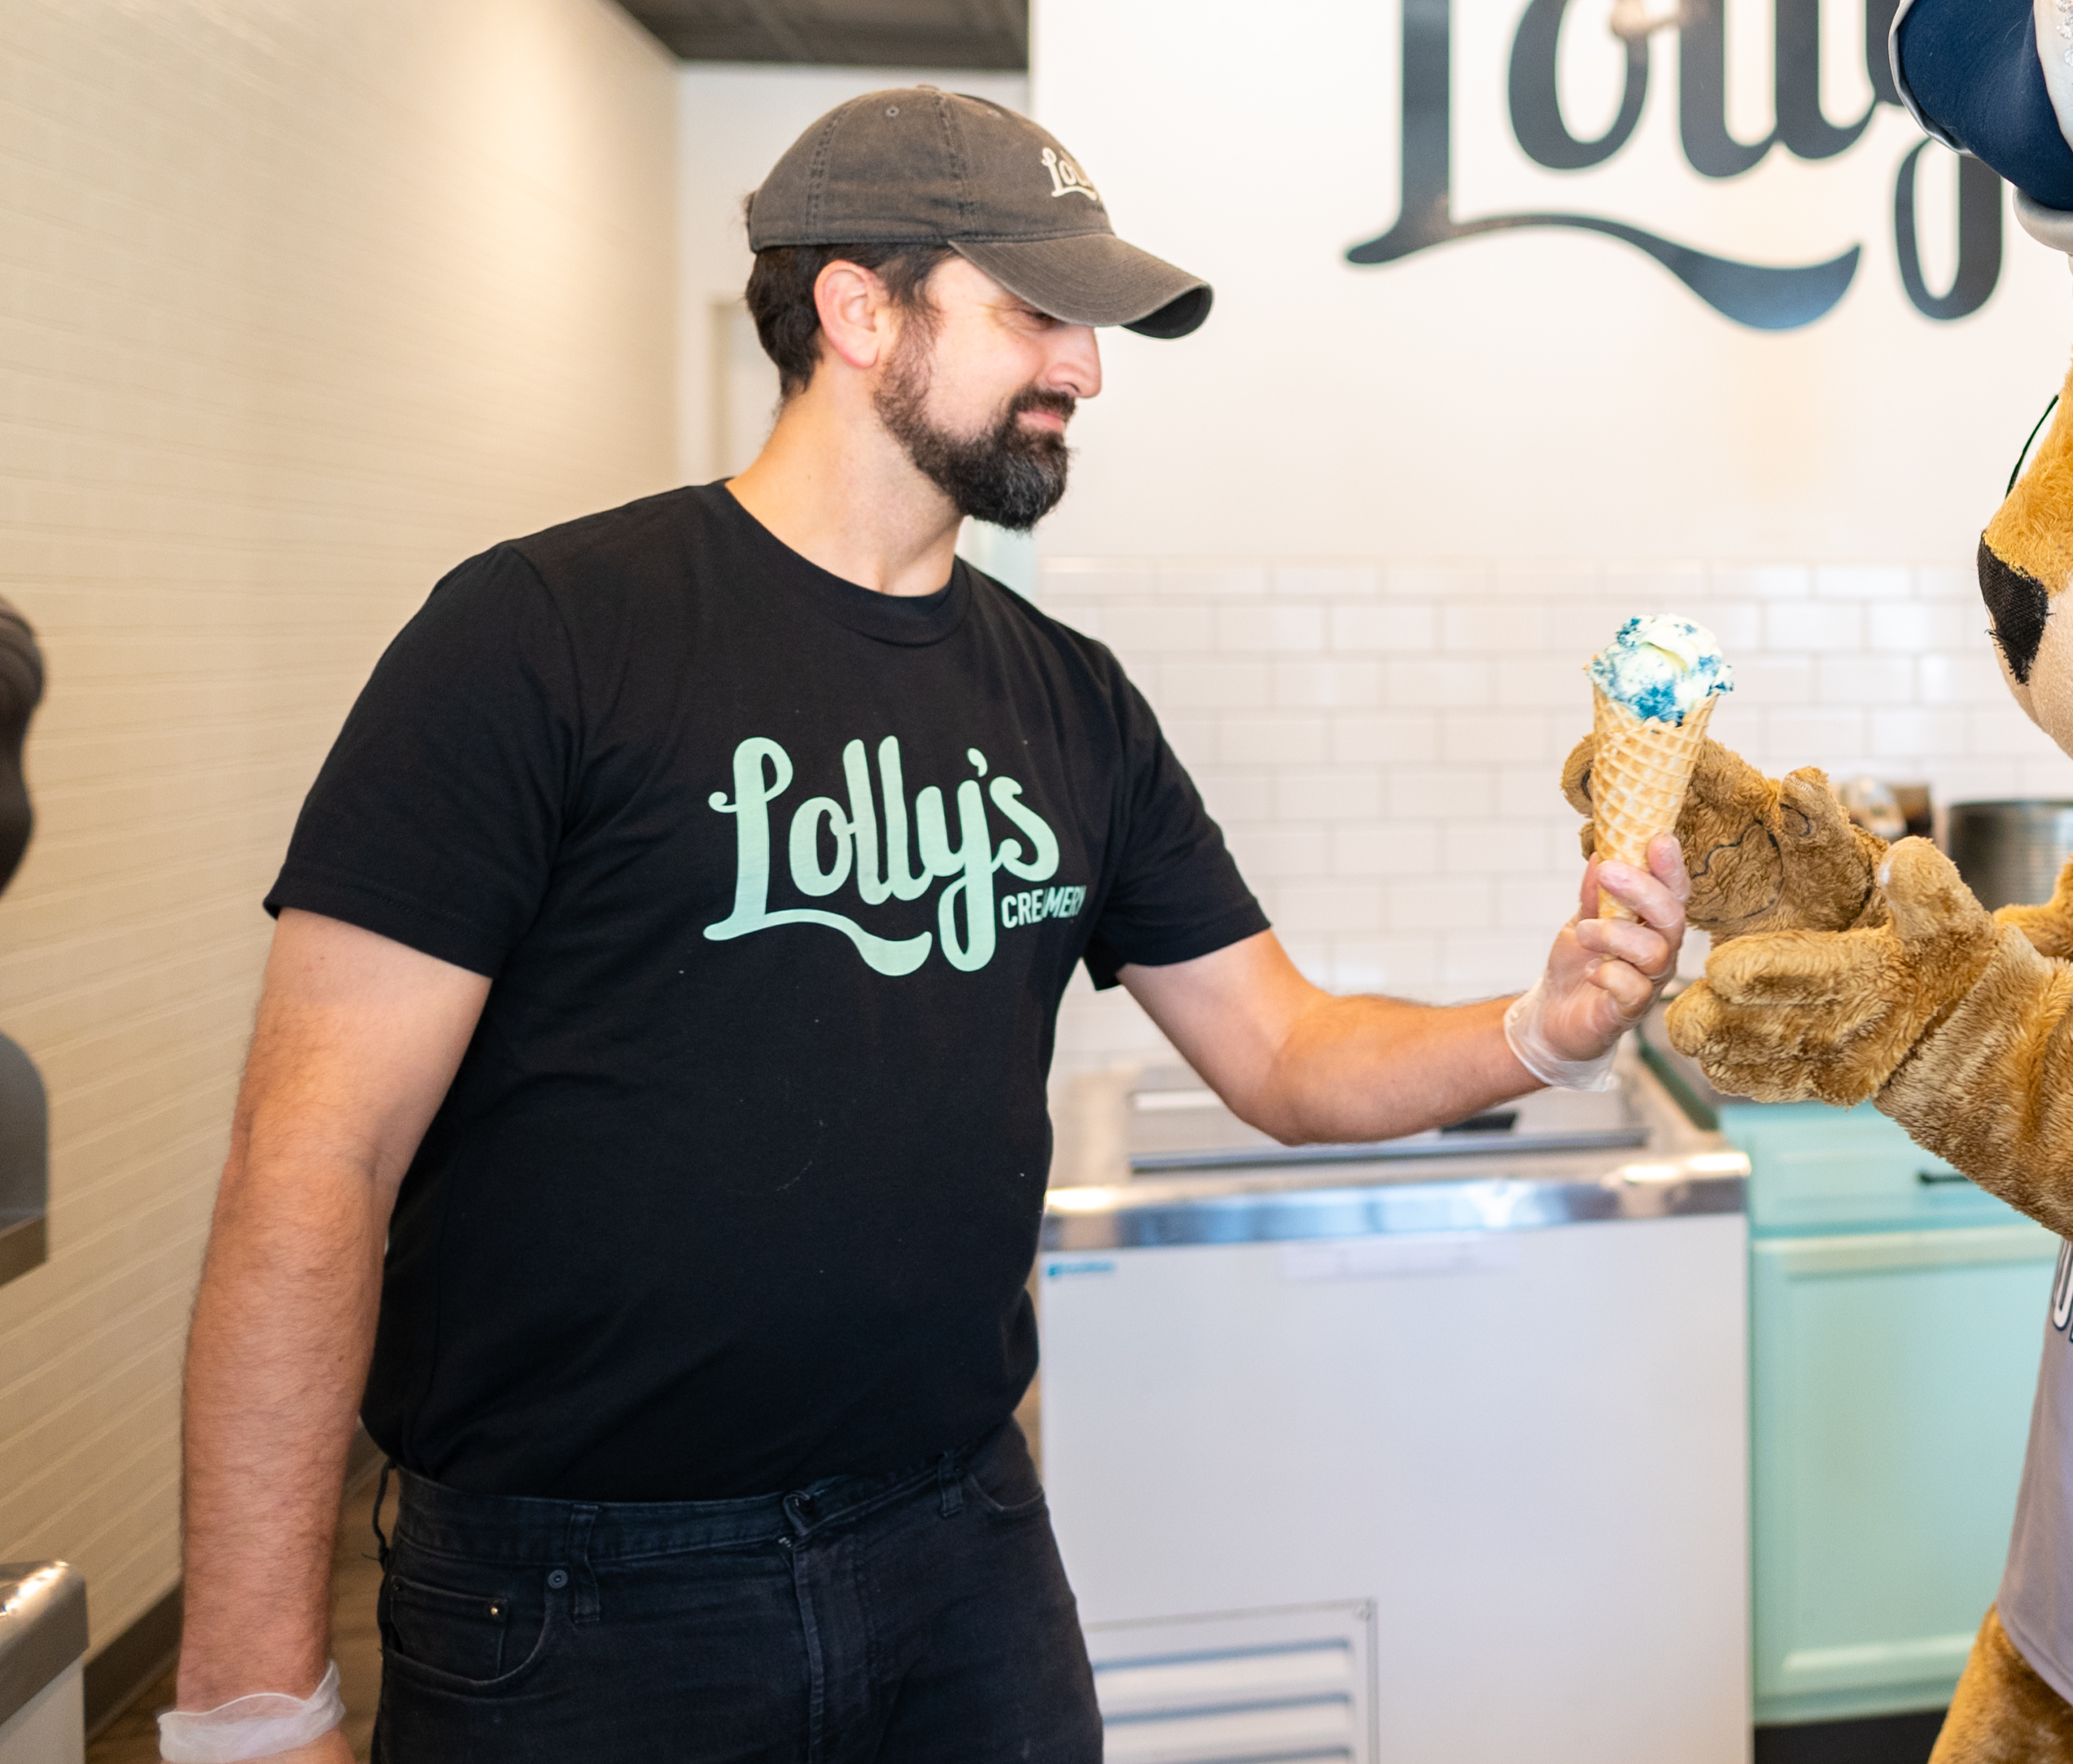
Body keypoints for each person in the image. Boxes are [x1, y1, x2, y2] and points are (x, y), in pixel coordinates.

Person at [162, 88, 1689, 1764]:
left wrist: (1542, 1028)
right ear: (858, 309)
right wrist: (249, 1698)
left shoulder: (1070, 703)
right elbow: (310, 1157)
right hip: (584, 1596)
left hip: (959, 1547)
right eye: (1036, 310)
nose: (1086, 367)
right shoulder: (540, 637)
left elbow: (1284, 1047)